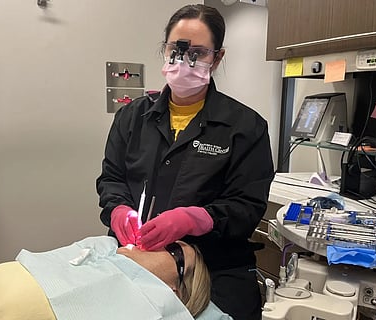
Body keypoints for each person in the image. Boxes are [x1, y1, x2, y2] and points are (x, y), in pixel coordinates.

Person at [96, 4, 274, 320]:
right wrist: (118, 211)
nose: (184, 62)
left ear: (217, 57)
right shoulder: (131, 118)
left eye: (198, 53)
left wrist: (197, 219)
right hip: (140, 255)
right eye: (175, 51)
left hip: (215, 264)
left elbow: (247, 207)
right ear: (165, 49)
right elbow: (111, 178)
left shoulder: (246, 128)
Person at [0, 236, 213, 320]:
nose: (158, 241)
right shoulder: (101, 253)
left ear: (175, 290)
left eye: (174, 248)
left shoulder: (152, 308)